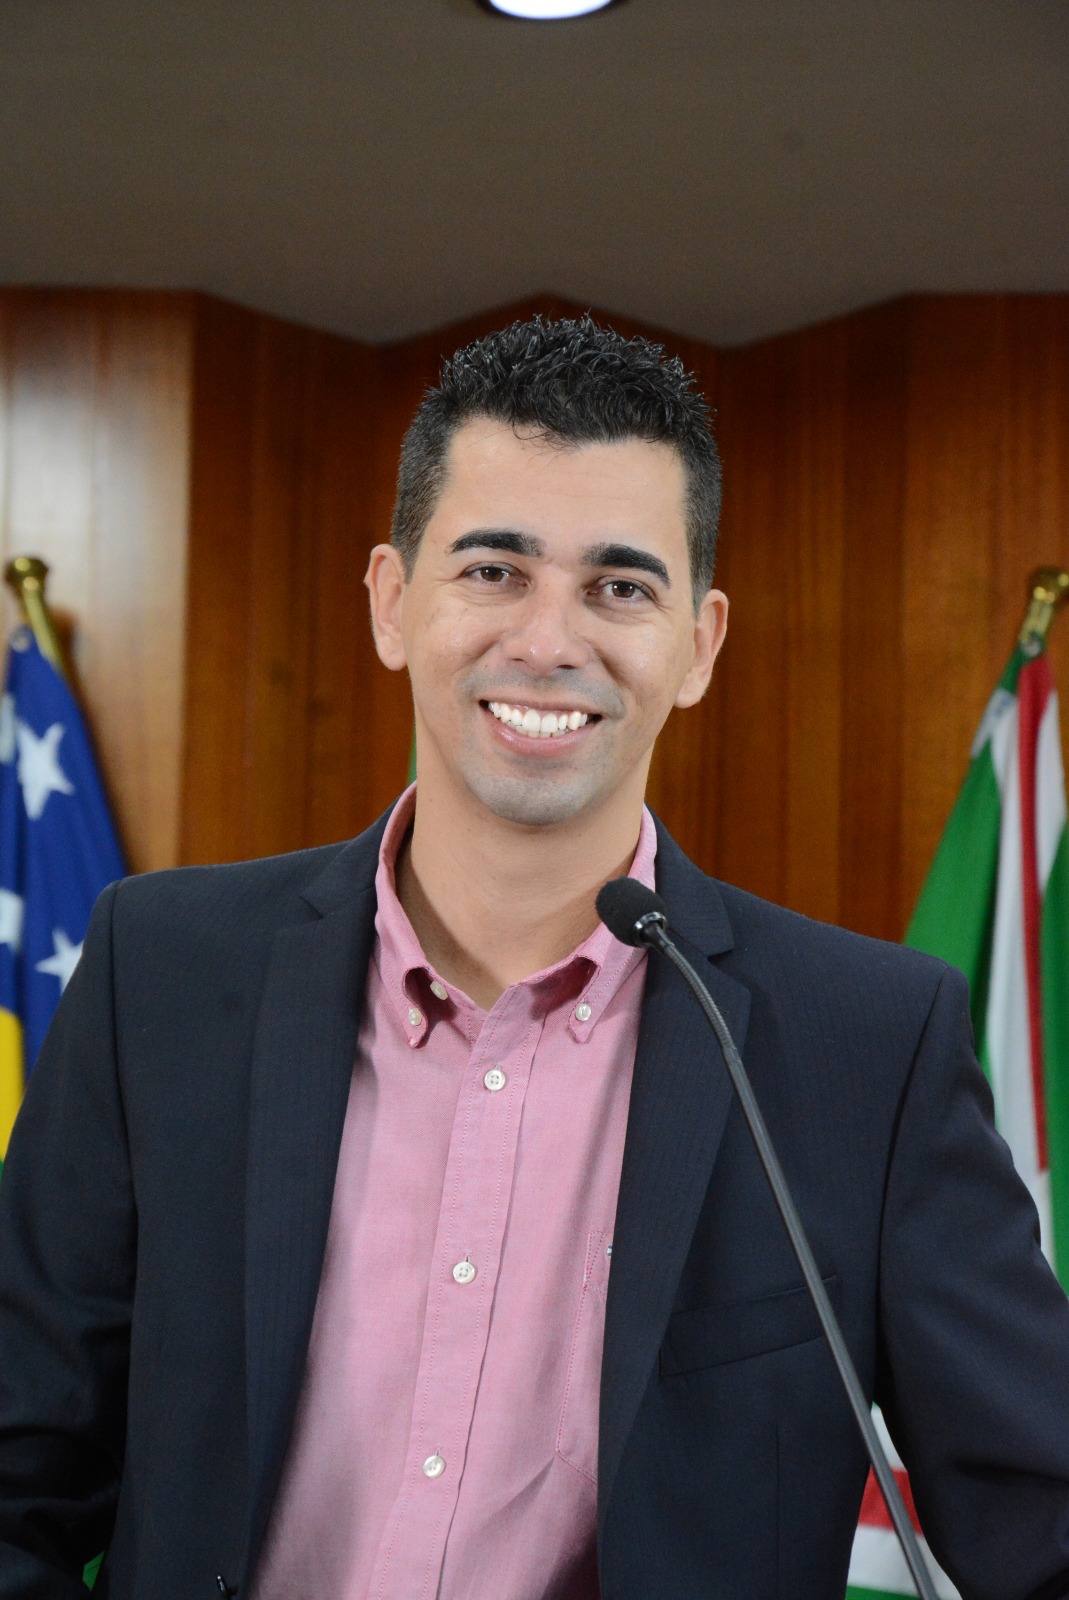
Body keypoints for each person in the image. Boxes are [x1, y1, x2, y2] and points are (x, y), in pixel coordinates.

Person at [2, 316, 1069, 1600]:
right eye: (494, 569)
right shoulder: (159, 973)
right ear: (392, 603)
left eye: (620, 587)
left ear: (698, 644)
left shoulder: (868, 1047)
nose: (550, 640)